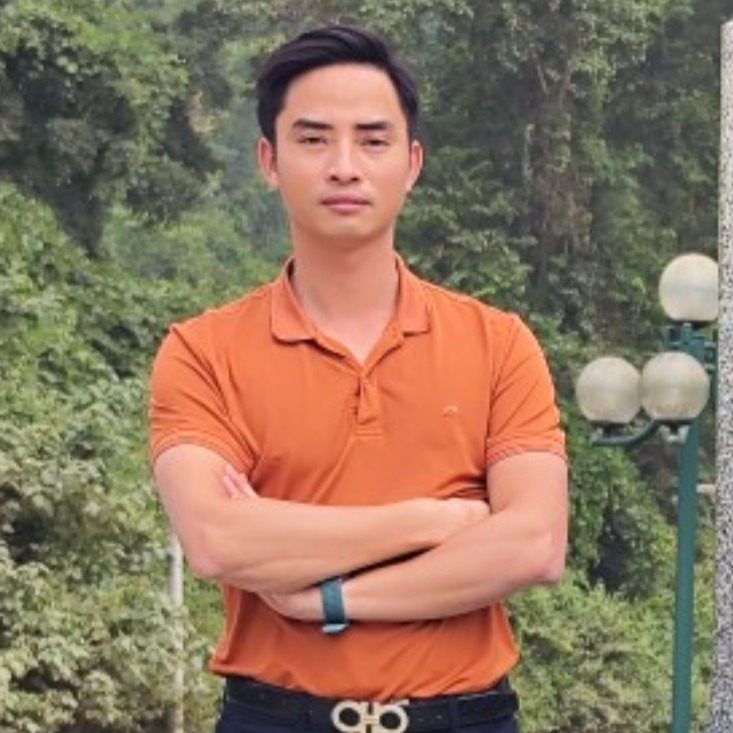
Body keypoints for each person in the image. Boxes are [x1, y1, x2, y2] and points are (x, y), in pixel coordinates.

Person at [150, 24, 568, 733]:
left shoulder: (498, 343)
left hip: (465, 718)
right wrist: (437, 519)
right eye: (314, 139)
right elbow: (218, 540)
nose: (344, 166)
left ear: (411, 163)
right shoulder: (202, 351)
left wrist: (326, 598)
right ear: (269, 160)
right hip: (274, 718)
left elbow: (532, 545)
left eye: (372, 141)